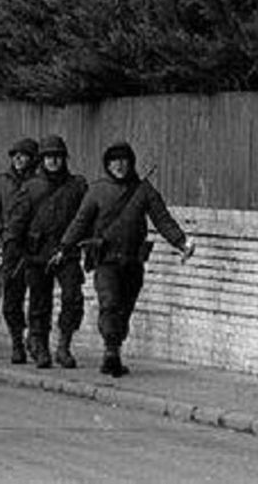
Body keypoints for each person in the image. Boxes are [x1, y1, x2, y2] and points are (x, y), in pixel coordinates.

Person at [54, 141, 194, 377]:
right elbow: (81, 222)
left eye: (124, 161)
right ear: (107, 165)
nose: (119, 166)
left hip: (132, 261)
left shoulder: (143, 190)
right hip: (106, 261)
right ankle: (110, 352)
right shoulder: (97, 191)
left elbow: (162, 219)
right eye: (114, 161)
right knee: (110, 304)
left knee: (125, 309)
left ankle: (114, 350)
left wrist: (181, 242)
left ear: (131, 163)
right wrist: (64, 247)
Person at [5, 135, 87, 369]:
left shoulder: (76, 186)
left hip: (66, 251)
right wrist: (13, 248)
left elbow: (87, 217)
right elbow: (17, 222)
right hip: (37, 254)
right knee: (40, 303)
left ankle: (64, 345)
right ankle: (39, 344)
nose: (53, 161)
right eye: (49, 157)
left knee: (73, 298)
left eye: (58, 157)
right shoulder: (30, 188)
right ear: (42, 159)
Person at [0, 137, 40, 363]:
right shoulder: (1, 183)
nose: (19, 160)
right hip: (12, 246)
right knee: (12, 297)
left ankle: (34, 339)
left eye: (24, 155)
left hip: (37, 246)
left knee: (39, 297)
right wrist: (0, 231)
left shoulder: (41, 182)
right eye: (15, 156)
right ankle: (16, 342)